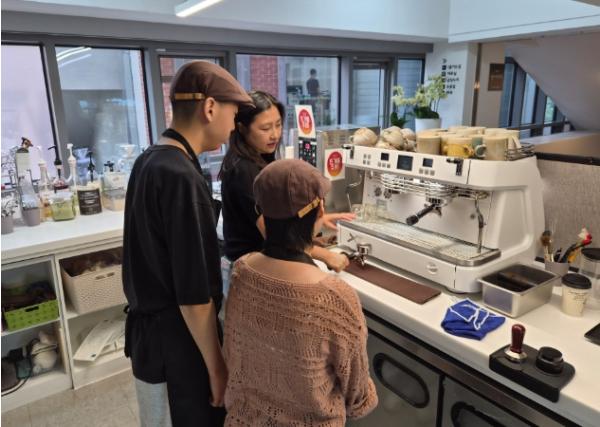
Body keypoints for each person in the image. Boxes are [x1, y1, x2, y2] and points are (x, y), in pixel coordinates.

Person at [122, 61, 253, 427]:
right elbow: (194, 296)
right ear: (210, 108)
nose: (234, 127)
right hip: (178, 346)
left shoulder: (149, 160)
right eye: (233, 115)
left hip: (152, 343)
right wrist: (217, 367)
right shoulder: (181, 176)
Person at [223, 159, 378, 426]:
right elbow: (359, 398)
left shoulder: (242, 270)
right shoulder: (336, 297)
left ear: (261, 212)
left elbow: (234, 355)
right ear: (320, 209)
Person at [219, 90, 352, 276]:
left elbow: (279, 223)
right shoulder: (244, 170)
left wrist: (317, 221)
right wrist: (326, 255)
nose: (274, 134)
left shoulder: (258, 158)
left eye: (278, 125)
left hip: (257, 263)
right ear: (241, 128)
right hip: (249, 269)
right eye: (265, 128)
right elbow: (276, 237)